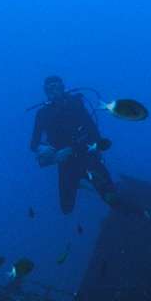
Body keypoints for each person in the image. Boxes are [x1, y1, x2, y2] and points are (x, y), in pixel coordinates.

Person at [29, 75, 121, 215]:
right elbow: (33, 144)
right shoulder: (42, 114)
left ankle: (87, 181)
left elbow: (94, 135)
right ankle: (80, 183)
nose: (54, 91)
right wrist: (45, 150)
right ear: (45, 91)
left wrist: (74, 149)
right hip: (65, 163)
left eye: (57, 87)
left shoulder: (75, 105)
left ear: (63, 88)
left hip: (88, 157)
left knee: (112, 199)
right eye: (49, 89)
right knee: (66, 208)